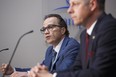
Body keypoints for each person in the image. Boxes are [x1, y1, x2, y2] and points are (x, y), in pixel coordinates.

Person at [28, 0, 116, 77]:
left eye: (75, 4)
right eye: (70, 5)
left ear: (92, 4)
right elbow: (76, 69)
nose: (69, 10)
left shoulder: (110, 28)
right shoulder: (84, 34)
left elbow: (99, 73)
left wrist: (52, 76)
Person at [0, 14, 80, 77]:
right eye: (44, 29)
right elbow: (40, 70)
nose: (46, 32)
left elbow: (63, 72)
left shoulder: (72, 46)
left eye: (50, 27)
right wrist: (13, 70)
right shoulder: (50, 50)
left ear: (62, 30)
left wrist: (28, 75)